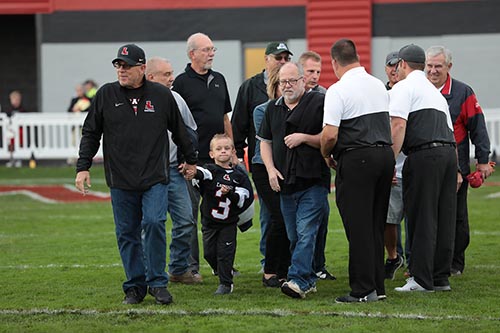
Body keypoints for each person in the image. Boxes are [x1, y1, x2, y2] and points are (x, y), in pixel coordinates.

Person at [75, 44, 198, 305]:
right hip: (120, 179)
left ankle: (157, 283)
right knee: (126, 232)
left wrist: (191, 161)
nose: (122, 70)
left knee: (154, 223)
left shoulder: (161, 96)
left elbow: (180, 131)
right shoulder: (106, 95)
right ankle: (134, 286)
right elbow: (91, 133)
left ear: (142, 68)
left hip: (155, 175)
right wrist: (83, 166)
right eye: (119, 65)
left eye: (127, 66)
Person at [320, 39, 394, 303]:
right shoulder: (377, 84)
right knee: (375, 224)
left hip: (357, 158)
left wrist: (325, 154)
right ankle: (377, 287)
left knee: (358, 226)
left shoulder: (337, 90)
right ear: (357, 57)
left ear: (335, 63)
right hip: (385, 155)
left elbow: (329, 134)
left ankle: (363, 289)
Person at [258, 62, 330, 299]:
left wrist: (305, 138)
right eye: (282, 82)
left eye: (291, 81)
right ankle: (308, 279)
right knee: (295, 236)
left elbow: (331, 136)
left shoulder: (319, 102)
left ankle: (297, 279)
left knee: (307, 231)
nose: (287, 86)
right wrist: (270, 170)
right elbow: (265, 141)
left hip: (313, 181)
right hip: (285, 183)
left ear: (302, 81)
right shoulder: (272, 108)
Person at [390, 44, 459, 293]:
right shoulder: (435, 93)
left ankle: (420, 278)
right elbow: (451, 132)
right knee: (444, 217)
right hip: (448, 155)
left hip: (424, 155)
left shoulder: (403, 88)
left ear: (403, 64)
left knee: (421, 216)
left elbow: (397, 126)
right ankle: (440, 278)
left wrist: (389, 162)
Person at [425, 46, 494, 277]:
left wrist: (483, 160)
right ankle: (424, 260)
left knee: (457, 217)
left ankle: (455, 262)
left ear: (449, 67)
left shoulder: (463, 92)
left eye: (438, 66)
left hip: (457, 168)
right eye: (429, 66)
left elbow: (478, 127)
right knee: (425, 214)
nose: (433, 71)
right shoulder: (418, 90)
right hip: (424, 164)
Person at [173, 32, 234, 278]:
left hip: (218, 160)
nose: (211, 53)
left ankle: (222, 265)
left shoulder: (219, 79)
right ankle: (190, 268)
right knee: (189, 215)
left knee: (220, 214)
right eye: (206, 49)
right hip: (191, 161)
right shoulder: (181, 83)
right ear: (192, 54)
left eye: (212, 49)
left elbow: (224, 117)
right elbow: (175, 122)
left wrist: (233, 151)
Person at [232, 41, 292, 269]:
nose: (283, 61)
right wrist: (237, 156)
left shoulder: (293, 87)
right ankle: (269, 263)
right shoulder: (250, 87)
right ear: (266, 59)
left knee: (281, 215)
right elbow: (239, 123)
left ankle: (282, 264)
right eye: (279, 57)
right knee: (270, 216)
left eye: (286, 58)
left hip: (286, 163)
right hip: (261, 162)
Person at [145, 56, 202, 284]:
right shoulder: (138, 101)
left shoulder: (176, 99)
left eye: (171, 73)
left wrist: (186, 158)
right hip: (148, 173)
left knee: (186, 220)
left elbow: (191, 131)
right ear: (150, 77)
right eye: (166, 74)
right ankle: (149, 272)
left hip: (173, 170)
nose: (172, 78)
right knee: (150, 223)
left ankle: (178, 269)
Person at [193, 134, 254, 295]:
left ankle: (226, 283)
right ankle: (220, 271)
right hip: (209, 222)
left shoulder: (239, 176)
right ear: (212, 153)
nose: (223, 151)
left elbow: (243, 198)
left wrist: (230, 194)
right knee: (209, 254)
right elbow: (201, 173)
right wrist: (192, 172)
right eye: (218, 149)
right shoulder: (211, 170)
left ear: (233, 151)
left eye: (227, 148)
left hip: (228, 223)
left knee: (224, 254)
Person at [298, 50, 335, 281]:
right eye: (310, 71)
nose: (315, 76)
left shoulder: (326, 95)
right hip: (296, 168)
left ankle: (318, 265)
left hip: (319, 166)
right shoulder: (291, 96)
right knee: (297, 227)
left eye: (318, 71)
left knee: (322, 218)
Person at [252, 66, 290, 287]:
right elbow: (271, 140)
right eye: (282, 84)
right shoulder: (262, 110)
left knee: (287, 220)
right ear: (274, 87)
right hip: (264, 167)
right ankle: (270, 271)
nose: (287, 88)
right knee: (278, 218)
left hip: (286, 167)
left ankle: (283, 270)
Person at [383, 50, 408, 280]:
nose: (394, 70)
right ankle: (393, 257)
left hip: (413, 165)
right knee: (389, 219)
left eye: (397, 66)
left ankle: (414, 260)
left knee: (416, 219)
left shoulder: (412, 92)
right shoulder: (380, 95)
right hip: (392, 167)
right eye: (390, 66)